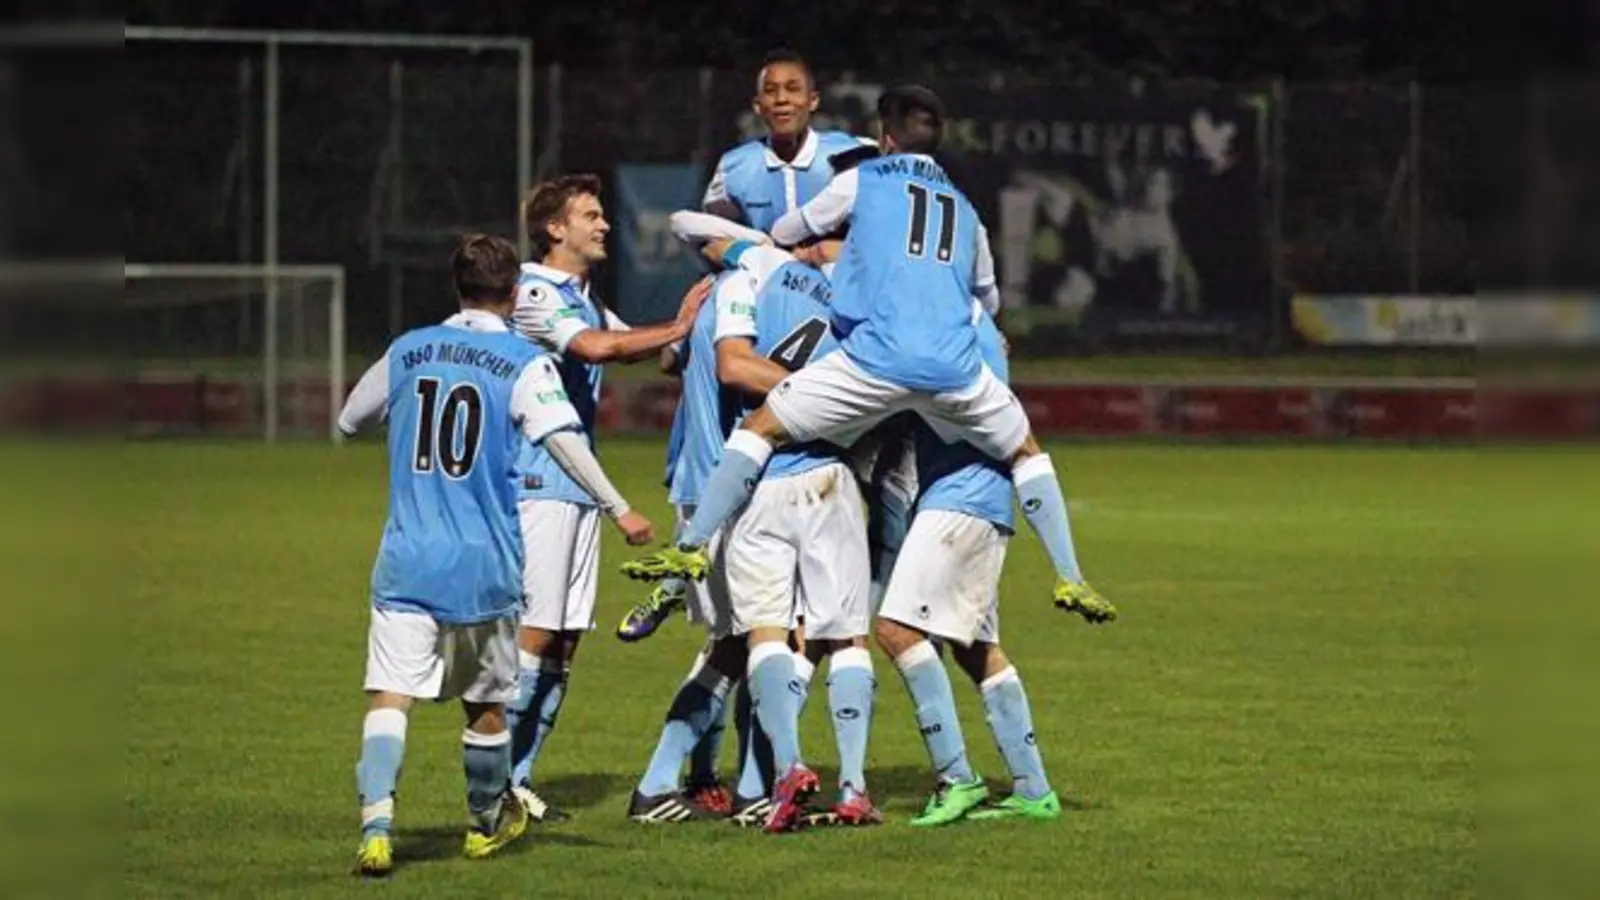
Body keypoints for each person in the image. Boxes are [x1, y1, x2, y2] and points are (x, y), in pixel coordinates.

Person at [623, 85, 1117, 627]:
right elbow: (989, 299)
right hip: (954, 370)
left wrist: (813, 244)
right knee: (1026, 453)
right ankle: (1069, 574)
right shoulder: (967, 210)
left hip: (877, 362)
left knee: (760, 428)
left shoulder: (863, 180)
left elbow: (787, 230)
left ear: (886, 138)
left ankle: (691, 548)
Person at [337, 234, 654, 876]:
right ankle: (484, 824)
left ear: (456, 286)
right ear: (513, 292)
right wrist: (620, 508)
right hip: (483, 564)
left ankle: (377, 828)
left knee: (389, 696)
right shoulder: (522, 362)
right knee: (485, 706)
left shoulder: (409, 348)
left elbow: (348, 419)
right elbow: (565, 443)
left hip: (406, 558)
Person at [620, 47, 874, 643]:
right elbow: (701, 231)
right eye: (772, 91)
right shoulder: (735, 167)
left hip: (827, 300)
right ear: (757, 104)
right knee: (719, 395)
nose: (782, 99)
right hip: (762, 288)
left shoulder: (850, 155)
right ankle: (689, 551)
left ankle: (687, 561)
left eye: (794, 89)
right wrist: (761, 256)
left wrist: (831, 257)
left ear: (814, 100)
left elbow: (880, 226)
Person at [506, 175, 708, 822]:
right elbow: (599, 348)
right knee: (537, 634)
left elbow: (640, 347)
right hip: (535, 483)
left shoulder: (584, 298)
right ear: (554, 229)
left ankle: (519, 780)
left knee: (566, 640)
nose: (604, 225)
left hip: (576, 488)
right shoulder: (534, 292)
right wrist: (679, 323)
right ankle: (493, 785)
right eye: (590, 215)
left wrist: (698, 331)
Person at [876, 311, 1065, 826]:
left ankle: (957, 777)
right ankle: (1033, 788)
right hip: (978, 496)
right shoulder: (970, 320)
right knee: (975, 647)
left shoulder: (935, 323)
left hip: (960, 499)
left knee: (896, 630)